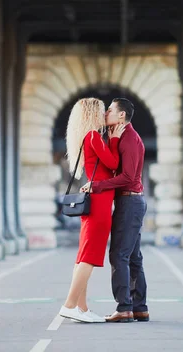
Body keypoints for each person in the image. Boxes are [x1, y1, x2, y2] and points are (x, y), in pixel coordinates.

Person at [81, 98, 149, 323]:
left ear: (122, 115)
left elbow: (127, 177)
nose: (105, 113)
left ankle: (124, 307)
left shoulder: (128, 139)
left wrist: (96, 185)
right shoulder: (124, 137)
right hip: (131, 201)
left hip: (129, 202)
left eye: (109, 110)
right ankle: (139, 307)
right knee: (133, 257)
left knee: (118, 255)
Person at [58, 97, 126, 323]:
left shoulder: (86, 137)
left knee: (83, 255)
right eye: (101, 110)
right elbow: (114, 164)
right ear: (92, 114)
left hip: (94, 201)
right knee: (90, 256)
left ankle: (82, 308)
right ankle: (69, 305)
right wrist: (115, 141)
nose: (104, 114)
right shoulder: (94, 136)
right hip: (100, 203)